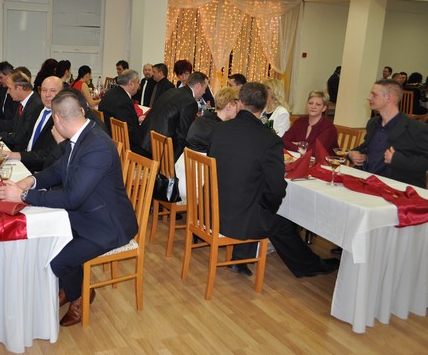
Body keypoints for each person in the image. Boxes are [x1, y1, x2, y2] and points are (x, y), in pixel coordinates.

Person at [0, 90, 137, 327]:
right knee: (47, 241)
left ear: (57, 119)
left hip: (107, 225)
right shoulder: (82, 134)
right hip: (86, 213)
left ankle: (80, 295)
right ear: (81, 111)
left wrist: (23, 196)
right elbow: (57, 170)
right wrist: (29, 181)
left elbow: (72, 198)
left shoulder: (97, 146)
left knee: (58, 260)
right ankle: (68, 287)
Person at [207, 82, 339, 278]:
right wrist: (269, 208)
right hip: (235, 218)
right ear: (263, 107)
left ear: (240, 103)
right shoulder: (269, 140)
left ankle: (240, 259)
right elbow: (276, 188)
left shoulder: (219, 129)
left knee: (253, 199)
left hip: (209, 208)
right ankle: (308, 266)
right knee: (279, 219)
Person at [348, 79, 428, 188]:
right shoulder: (373, 123)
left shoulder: (416, 128)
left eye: (374, 94)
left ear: (389, 98)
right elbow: (366, 147)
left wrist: (397, 159)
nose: (368, 97)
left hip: (395, 188)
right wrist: (351, 154)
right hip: (366, 181)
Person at [175, 87, 239, 201]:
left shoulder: (201, 120)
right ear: (229, 106)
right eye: (237, 106)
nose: (238, 111)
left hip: (179, 179)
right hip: (195, 189)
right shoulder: (220, 130)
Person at [138, 72, 209, 160]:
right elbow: (182, 135)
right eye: (205, 88)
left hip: (145, 140)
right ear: (198, 86)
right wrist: (172, 161)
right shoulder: (190, 102)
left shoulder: (172, 91)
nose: (204, 92)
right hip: (158, 150)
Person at [1, 76, 64, 173]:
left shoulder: (62, 119)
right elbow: (25, 138)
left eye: (53, 90)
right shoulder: (38, 109)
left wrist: (15, 155)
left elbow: (48, 154)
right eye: (44, 90)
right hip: (24, 163)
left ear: (62, 93)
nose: (47, 95)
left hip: (41, 170)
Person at [0, 71, 43, 151]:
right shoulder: (23, 101)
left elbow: (21, 137)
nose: (7, 92)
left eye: (9, 88)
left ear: (19, 88)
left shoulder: (35, 106)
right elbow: (13, 124)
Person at [98, 69, 145, 154]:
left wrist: (136, 120)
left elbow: (122, 118)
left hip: (108, 137)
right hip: (123, 146)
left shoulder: (111, 92)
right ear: (131, 83)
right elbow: (130, 131)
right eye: (138, 82)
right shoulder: (124, 101)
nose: (139, 86)